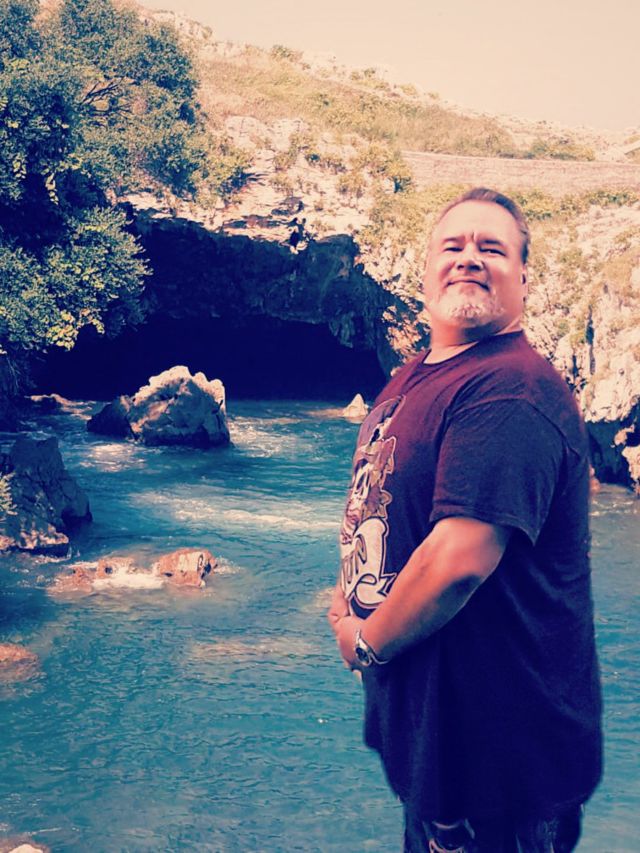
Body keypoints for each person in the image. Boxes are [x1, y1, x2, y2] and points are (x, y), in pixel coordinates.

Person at [328, 188, 602, 853]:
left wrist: (364, 644)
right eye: (453, 245)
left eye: (492, 248)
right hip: (443, 764)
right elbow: (378, 502)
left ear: (523, 280)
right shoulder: (413, 378)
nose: (469, 258)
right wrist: (345, 596)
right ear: (424, 271)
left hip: (500, 775)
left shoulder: (511, 388)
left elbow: (458, 560)